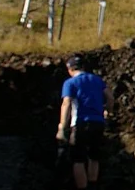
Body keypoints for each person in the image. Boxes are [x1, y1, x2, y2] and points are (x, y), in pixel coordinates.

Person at [57, 55, 114, 189]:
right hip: (98, 123)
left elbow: (66, 104)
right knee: (94, 156)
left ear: (70, 69)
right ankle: (93, 184)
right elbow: (110, 97)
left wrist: (62, 127)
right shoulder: (97, 80)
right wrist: (107, 111)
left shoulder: (70, 83)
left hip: (80, 123)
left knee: (78, 159)